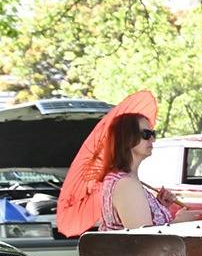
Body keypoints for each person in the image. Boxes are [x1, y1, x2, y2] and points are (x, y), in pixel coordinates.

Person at [54, 90, 192, 234]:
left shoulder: (125, 180)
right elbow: (145, 240)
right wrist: (179, 222)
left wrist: (159, 206)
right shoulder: (126, 184)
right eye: (146, 134)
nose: (153, 139)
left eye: (153, 134)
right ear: (127, 138)